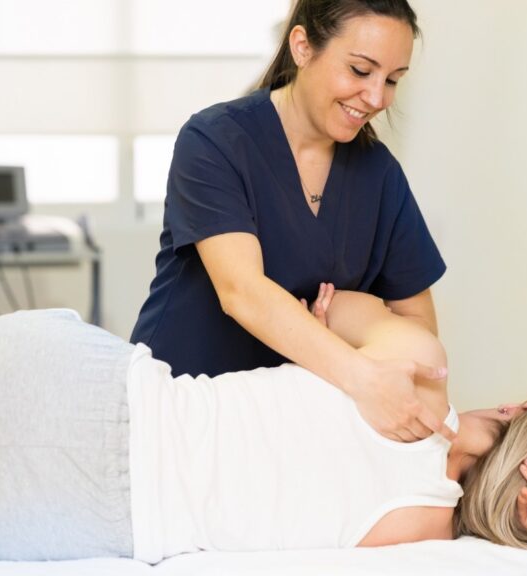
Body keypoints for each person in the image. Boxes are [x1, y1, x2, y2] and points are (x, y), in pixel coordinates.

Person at [0, 291, 527, 561]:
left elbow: (344, 308)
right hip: (100, 516)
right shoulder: (429, 526)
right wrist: (518, 527)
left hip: (110, 396)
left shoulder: (415, 366)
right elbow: (466, 532)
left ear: (514, 409)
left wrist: (342, 322)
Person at [131, 0, 453, 445]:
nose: (377, 97)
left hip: (285, 431)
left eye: (393, 80)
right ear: (302, 46)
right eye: (361, 71)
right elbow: (243, 292)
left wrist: (345, 326)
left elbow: (418, 327)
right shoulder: (215, 140)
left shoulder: (378, 174)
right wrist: (356, 370)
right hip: (180, 407)